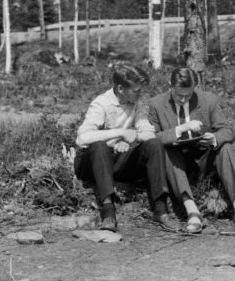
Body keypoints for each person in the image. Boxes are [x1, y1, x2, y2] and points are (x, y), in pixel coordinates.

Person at [147, 67, 235, 234]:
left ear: (195, 88)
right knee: (166, 150)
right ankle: (192, 211)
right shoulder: (156, 104)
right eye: (179, 95)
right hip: (176, 162)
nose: (183, 99)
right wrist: (179, 130)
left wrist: (213, 138)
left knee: (225, 147)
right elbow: (152, 138)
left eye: (188, 95)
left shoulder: (208, 100)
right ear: (170, 85)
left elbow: (227, 131)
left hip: (204, 157)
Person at [74, 63, 180, 233]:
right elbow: (82, 138)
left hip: (116, 160)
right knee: (100, 146)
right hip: (90, 163)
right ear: (120, 88)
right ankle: (108, 213)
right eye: (136, 90)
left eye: (140, 91)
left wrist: (133, 140)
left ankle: (161, 211)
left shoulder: (134, 103)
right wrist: (120, 134)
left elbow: (146, 130)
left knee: (154, 144)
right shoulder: (100, 104)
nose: (139, 94)